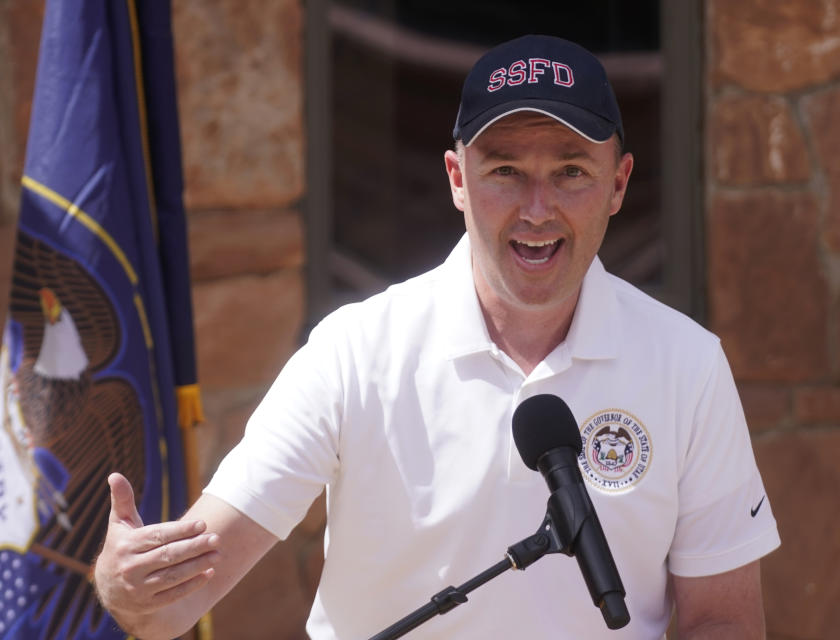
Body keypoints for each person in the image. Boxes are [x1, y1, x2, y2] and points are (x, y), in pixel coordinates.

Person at [94, 34, 780, 639]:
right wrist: (129, 584)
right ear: (457, 178)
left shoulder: (687, 363)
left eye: (570, 172)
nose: (536, 209)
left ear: (617, 184)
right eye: (505, 171)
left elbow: (723, 619)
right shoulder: (355, 353)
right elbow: (176, 603)